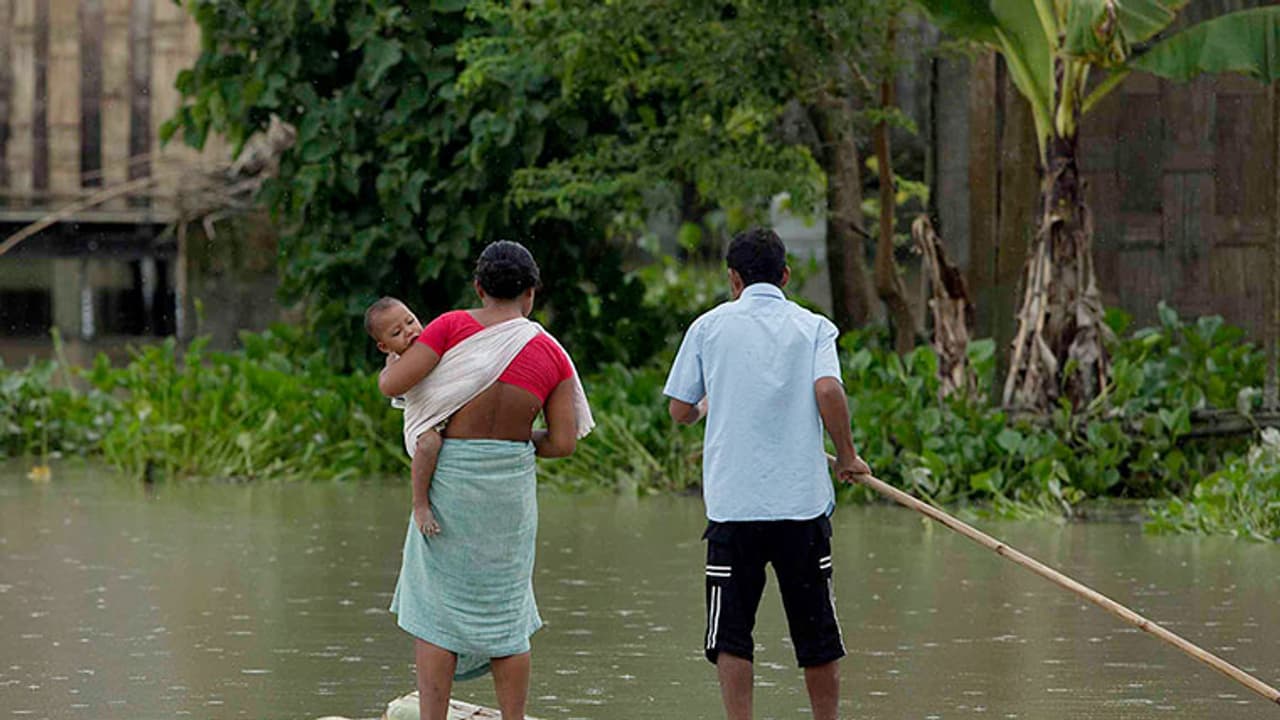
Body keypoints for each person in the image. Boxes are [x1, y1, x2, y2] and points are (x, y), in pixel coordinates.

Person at [378, 240, 594, 720]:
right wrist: (517, 438)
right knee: (506, 610)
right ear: (531, 294)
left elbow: (394, 385)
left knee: (437, 612)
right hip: (507, 488)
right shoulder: (549, 353)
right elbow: (562, 442)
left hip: (448, 482)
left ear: (479, 287)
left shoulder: (452, 326)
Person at [663, 227, 871, 720]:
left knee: (732, 631)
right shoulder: (814, 327)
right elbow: (827, 391)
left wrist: (702, 408)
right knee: (816, 631)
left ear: (733, 279)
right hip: (801, 507)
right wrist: (847, 454)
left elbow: (679, 409)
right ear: (785, 275)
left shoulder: (708, 327)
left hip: (734, 509)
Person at [365, 297, 444, 537]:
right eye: (397, 332)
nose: (409, 331)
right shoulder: (395, 364)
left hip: (446, 414)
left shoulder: (434, 341)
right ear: (385, 347)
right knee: (430, 443)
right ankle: (420, 504)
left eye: (411, 321)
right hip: (422, 425)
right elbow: (392, 386)